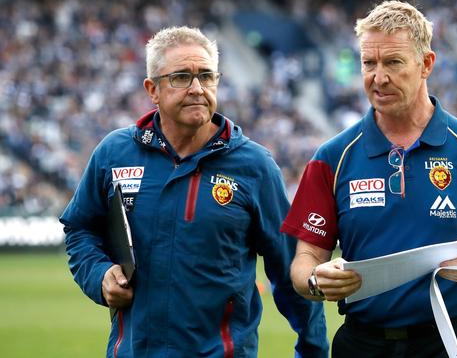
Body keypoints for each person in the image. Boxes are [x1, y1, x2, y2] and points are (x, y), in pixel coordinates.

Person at [60, 26, 328, 358]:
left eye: (206, 76)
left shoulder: (254, 166)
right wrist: (99, 276)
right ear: (152, 89)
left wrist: (314, 350)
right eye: (182, 77)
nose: (197, 88)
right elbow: (80, 228)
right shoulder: (114, 154)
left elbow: (290, 270)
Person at [281, 1, 457, 358]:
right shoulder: (331, 158)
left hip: (452, 338)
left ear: (426, 64)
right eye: (369, 63)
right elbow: (304, 262)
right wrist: (318, 280)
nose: (378, 77)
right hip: (362, 343)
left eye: (393, 63)